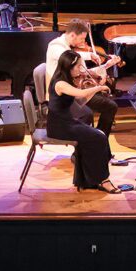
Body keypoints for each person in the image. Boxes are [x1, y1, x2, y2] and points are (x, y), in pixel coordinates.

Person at [48, 50, 120, 193]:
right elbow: (81, 93)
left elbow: (80, 101)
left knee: (97, 136)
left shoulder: (66, 79)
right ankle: (103, 180)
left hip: (67, 122)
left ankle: (87, 180)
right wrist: (98, 87)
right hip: (59, 126)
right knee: (99, 137)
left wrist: (94, 90)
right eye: (79, 66)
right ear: (69, 66)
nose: (81, 70)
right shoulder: (60, 83)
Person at [45, 19, 120, 139]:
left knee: (109, 105)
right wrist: (89, 55)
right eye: (82, 38)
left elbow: (84, 72)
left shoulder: (73, 52)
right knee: (95, 111)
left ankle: (99, 139)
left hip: (73, 91)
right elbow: (68, 58)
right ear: (72, 35)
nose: (83, 42)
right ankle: (94, 140)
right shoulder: (56, 46)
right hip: (62, 96)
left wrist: (107, 65)